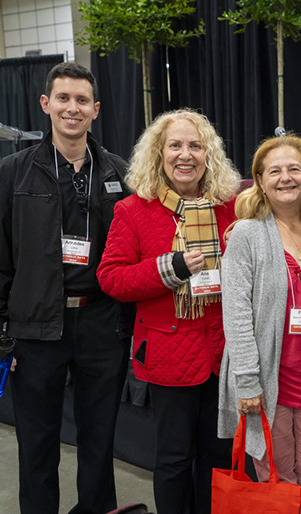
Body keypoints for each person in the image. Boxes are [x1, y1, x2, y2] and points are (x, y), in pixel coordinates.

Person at [0, 62, 131, 514]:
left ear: (95, 110)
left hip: (101, 323)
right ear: (45, 104)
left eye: (81, 101)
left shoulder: (118, 173)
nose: (71, 108)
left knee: (100, 441)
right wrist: (4, 334)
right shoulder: (12, 173)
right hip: (36, 327)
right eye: (63, 98)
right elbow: (0, 259)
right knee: (37, 444)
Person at [97, 108, 239, 514]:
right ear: (158, 154)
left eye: (195, 145)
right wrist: (171, 268)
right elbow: (112, 279)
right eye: (174, 145)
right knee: (174, 461)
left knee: (217, 460)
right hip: (168, 356)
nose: (185, 154)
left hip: (222, 353)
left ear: (208, 154)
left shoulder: (230, 208)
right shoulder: (133, 211)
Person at [218, 134, 301, 514]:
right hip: (268, 383)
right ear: (260, 180)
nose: (286, 178)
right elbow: (235, 313)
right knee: (277, 478)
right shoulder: (247, 234)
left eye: (294, 169)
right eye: (275, 171)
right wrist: (247, 382)